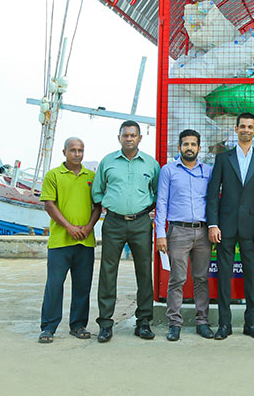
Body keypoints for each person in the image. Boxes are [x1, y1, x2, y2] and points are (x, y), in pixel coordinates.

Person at [93, 120, 160, 343]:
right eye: (125, 135)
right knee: (108, 271)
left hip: (141, 224)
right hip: (113, 223)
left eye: (133, 135)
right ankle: (105, 323)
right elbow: (97, 192)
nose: (129, 138)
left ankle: (143, 322)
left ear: (140, 138)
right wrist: (114, 205)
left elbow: (158, 193)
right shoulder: (108, 162)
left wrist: (142, 210)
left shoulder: (150, 164)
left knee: (144, 272)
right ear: (119, 137)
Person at [206, 112, 254, 340]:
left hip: (252, 228)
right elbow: (213, 194)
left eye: (250, 127)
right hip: (225, 226)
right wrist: (213, 224)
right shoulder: (223, 158)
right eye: (242, 126)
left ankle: (251, 323)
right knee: (224, 276)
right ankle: (224, 325)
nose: (246, 130)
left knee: (251, 276)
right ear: (236, 129)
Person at [37, 137, 101, 344]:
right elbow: (49, 204)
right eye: (73, 150)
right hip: (59, 243)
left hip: (85, 242)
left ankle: (78, 325)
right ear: (64, 152)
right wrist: (69, 227)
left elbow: (98, 206)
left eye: (80, 150)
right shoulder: (53, 175)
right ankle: (48, 327)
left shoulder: (91, 177)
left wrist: (89, 227)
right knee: (54, 285)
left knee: (83, 286)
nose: (77, 154)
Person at [155, 129, 214, 341]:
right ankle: (174, 323)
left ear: (199, 148)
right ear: (179, 147)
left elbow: (215, 200)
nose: (190, 148)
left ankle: (202, 322)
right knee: (177, 279)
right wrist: (160, 234)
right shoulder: (168, 171)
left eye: (193, 144)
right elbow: (161, 202)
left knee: (201, 279)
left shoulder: (208, 171)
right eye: (186, 144)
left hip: (203, 232)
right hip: (178, 231)